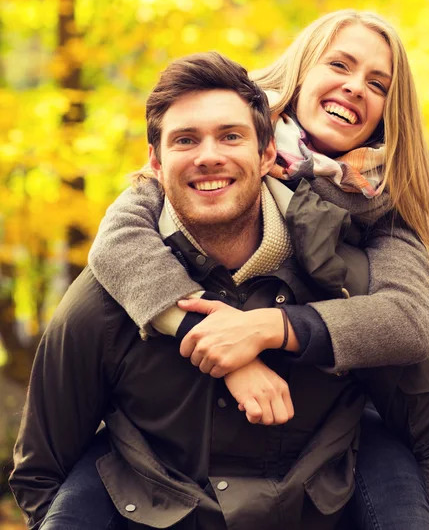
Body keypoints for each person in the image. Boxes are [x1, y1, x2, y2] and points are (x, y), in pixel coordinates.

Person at [85, 10, 429, 528]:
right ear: (302, 70)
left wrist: (267, 328)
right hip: (187, 432)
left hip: (337, 427)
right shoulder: (224, 136)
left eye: (377, 83)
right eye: (340, 64)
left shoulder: (383, 201)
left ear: (387, 110)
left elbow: (407, 319)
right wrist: (216, 340)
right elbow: (117, 242)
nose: (355, 86)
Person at [10, 52, 375, 530]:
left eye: (230, 136)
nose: (209, 156)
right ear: (156, 164)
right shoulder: (99, 307)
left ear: (268, 156)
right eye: (185, 140)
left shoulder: (342, 282)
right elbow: (41, 476)